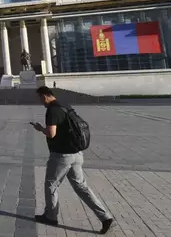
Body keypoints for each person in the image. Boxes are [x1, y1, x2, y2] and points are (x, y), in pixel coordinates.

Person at [31, 86, 115, 234]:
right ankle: (106, 217)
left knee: (51, 184)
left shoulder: (52, 110)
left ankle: (51, 216)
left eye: (40, 98)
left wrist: (40, 129)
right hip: (77, 154)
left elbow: (51, 133)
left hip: (62, 156)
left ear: (44, 96)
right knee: (81, 187)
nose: (41, 102)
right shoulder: (65, 106)